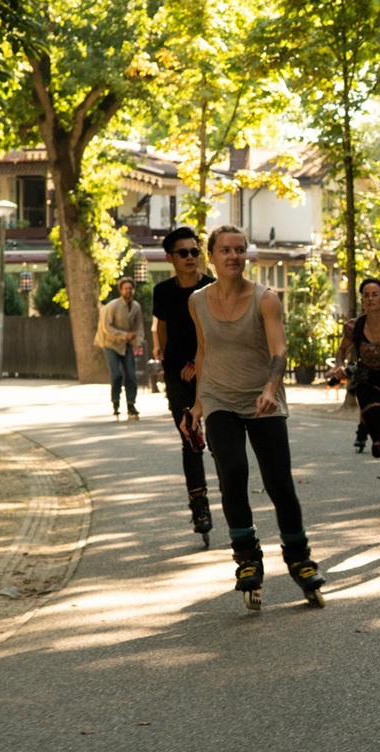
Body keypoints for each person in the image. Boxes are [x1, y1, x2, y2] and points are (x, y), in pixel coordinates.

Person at [186, 224, 325, 610]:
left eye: (240, 250)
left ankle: (299, 558)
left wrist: (270, 389)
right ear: (211, 257)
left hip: (263, 399)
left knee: (279, 481)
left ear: (246, 255)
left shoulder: (265, 299)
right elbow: (202, 352)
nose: (233, 256)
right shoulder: (197, 301)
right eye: (225, 250)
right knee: (232, 471)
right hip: (219, 399)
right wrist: (198, 403)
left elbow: (279, 350)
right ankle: (247, 557)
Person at [152, 226, 216, 544]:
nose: (191, 257)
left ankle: (232, 499)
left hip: (213, 372)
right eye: (183, 253)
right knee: (189, 436)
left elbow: (218, 333)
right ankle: (199, 506)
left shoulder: (211, 288)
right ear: (170, 258)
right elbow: (161, 329)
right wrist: (168, 364)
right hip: (179, 376)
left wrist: (198, 362)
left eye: (195, 251)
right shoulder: (163, 292)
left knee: (219, 438)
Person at [329, 277, 380, 467]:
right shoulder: (354, 327)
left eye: (375, 295)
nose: (370, 299)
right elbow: (341, 351)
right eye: (366, 296)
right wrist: (339, 366)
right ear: (362, 300)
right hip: (369, 384)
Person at [95, 276, 145, 420]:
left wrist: (138, 342)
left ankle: (131, 403)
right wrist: (124, 335)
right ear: (120, 290)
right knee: (117, 374)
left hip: (127, 345)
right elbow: (106, 328)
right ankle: (115, 401)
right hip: (111, 343)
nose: (128, 291)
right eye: (125, 289)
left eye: (130, 288)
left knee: (131, 374)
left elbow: (139, 327)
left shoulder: (136, 306)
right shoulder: (112, 306)